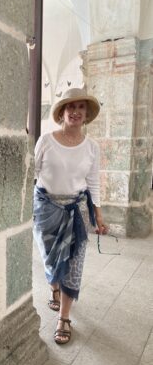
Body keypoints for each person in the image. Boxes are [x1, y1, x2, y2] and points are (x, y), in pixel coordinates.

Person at [33, 87, 108, 345]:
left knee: (73, 264)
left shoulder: (92, 147)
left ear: (86, 114)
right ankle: (54, 286)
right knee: (50, 258)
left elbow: (93, 181)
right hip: (46, 209)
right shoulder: (46, 140)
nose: (75, 112)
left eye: (80, 107)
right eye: (70, 107)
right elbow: (33, 172)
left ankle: (64, 318)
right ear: (62, 112)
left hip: (78, 211)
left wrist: (97, 213)